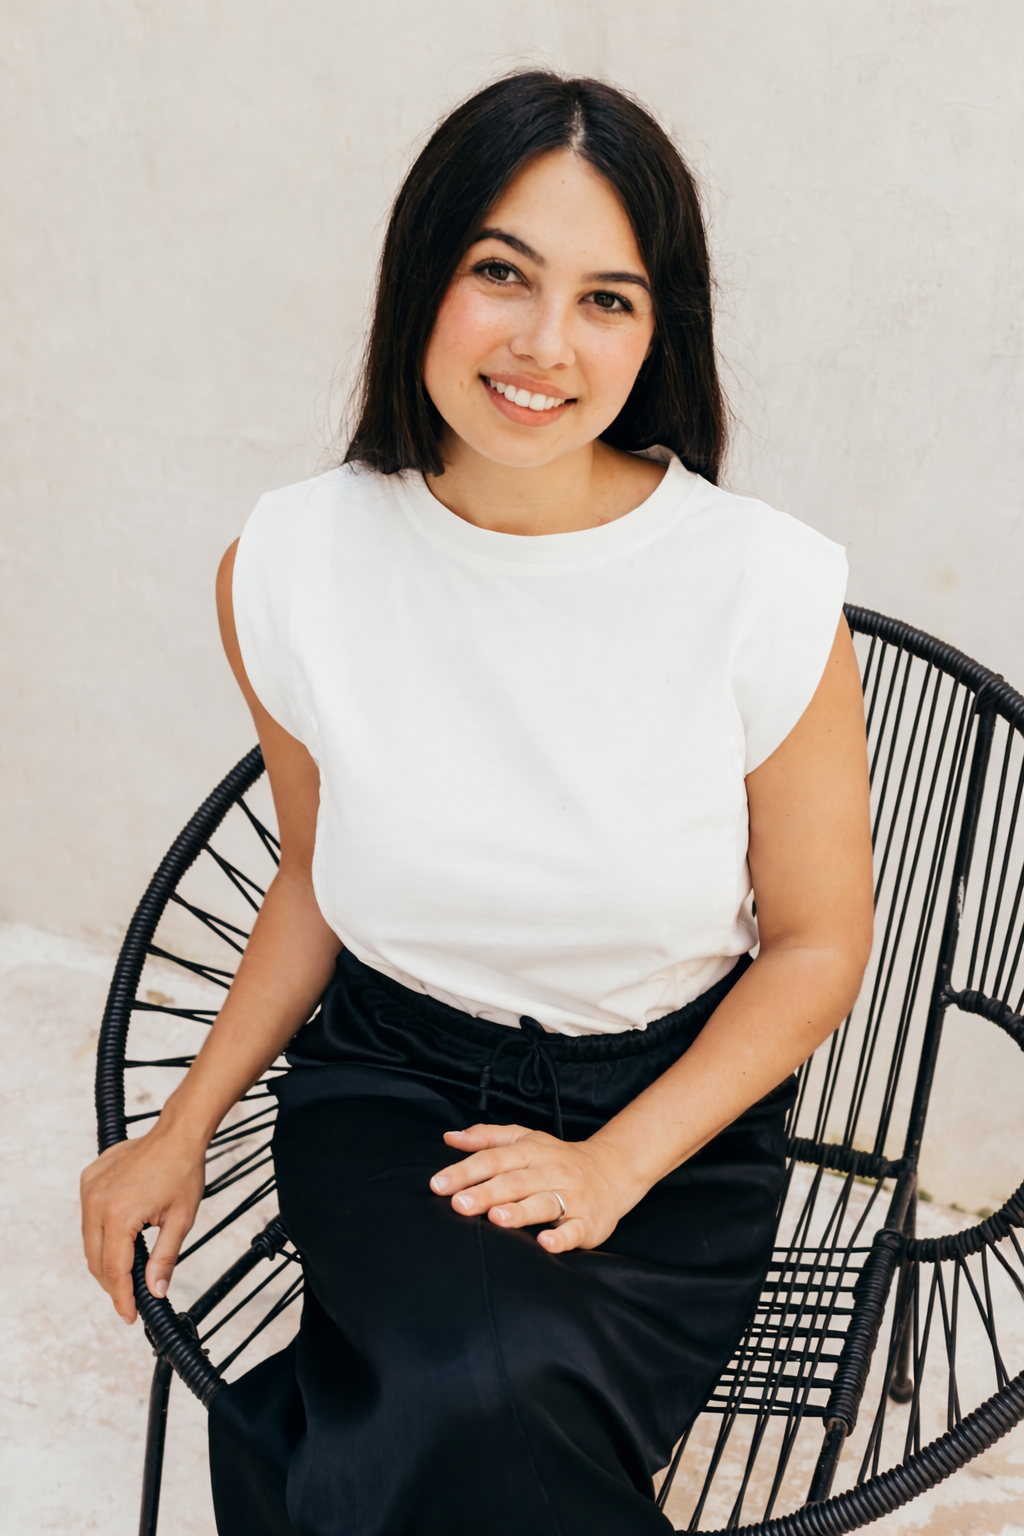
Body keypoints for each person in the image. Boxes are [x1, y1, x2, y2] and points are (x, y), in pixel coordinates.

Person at [81, 71, 874, 1536]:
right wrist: (187, 1121)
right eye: (501, 271)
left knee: (450, 1415)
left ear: (660, 331)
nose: (544, 345)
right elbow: (316, 872)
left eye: (609, 300)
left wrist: (616, 1163)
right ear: (423, 272)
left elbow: (821, 944)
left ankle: (300, 1452)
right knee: (472, 1398)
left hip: (670, 1120)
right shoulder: (293, 562)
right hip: (393, 1092)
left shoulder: (761, 586)